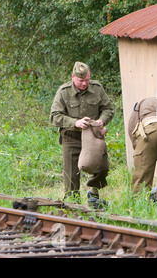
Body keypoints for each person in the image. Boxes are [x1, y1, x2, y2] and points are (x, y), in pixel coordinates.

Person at [50, 62, 114, 208]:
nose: (85, 83)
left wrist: (101, 121)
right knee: (71, 177)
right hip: (71, 137)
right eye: (81, 80)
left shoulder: (97, 88)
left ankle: (93, 191)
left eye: (87, 80)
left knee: (102, 168)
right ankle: (73, 206)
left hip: (93, 135)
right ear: (73, 77)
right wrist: (75, 122)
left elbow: (108, 109)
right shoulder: (63, 92)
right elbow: (54, 116)